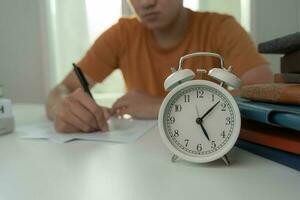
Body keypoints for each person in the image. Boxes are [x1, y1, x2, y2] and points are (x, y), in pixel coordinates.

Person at [46, 0, 273, 133]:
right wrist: (64, 110)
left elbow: (265, 92)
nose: (145, 3)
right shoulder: (121, 35)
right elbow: (61, 89)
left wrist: (164, 106)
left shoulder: (221, 28)